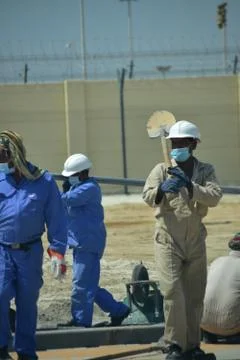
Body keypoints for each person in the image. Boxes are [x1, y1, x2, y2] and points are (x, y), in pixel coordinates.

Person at [142, 120, 222, 360]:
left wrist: (190, 185)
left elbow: (215, 196)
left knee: (195, 295)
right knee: (173, 293)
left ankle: (192, 346)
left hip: (195, 240)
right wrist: (162, 190)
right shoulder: (161, 170)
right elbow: (147, 196)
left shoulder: (205, 170)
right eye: (174, 143)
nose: (177, 146)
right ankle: (174, 345)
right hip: (168, 239)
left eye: (182, 143)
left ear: (193, 144)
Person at [0, 130, 67, 360]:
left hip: (30, 251)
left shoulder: (43, 181)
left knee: (27, 301)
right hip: (2, 250)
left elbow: (57, 218)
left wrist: (57, 251)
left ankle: (26, 352)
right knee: (0, 294)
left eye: (2, 156)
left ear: (14, 154)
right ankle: (1, 348)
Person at [60, 153, 130, 328]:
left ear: (83, 173)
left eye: (72, 176)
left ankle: (81, 322)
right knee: (88, 285)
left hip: (88, 243)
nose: (70, 179)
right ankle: (119, 310)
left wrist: (52, 190)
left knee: (81, 285)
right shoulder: (79, 186)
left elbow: (67, 200)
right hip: (81, 242)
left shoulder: (89, 188)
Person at [201, 233, 240, 344]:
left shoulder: (216, 261)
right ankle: (231, 333)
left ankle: (210, 334)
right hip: (231, 327)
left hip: (204, 324)